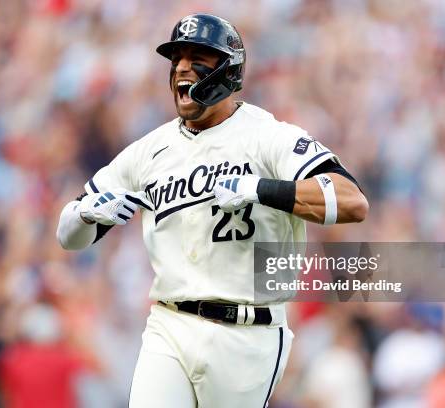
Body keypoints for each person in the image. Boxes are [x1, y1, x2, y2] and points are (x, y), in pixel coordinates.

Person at [56, 13, 368, 408]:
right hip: (170, 325)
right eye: (177, 59)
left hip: (248, 334)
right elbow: (68, 238)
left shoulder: (269, 136)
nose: (183, 67)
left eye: (197, 56)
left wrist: (260, 188)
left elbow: (352, 201)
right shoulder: (149, 151)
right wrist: (84, 216)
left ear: (229, 71)